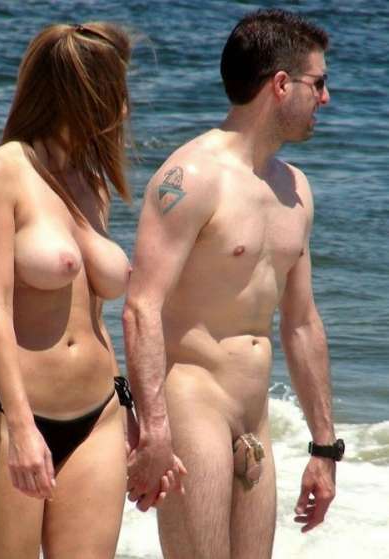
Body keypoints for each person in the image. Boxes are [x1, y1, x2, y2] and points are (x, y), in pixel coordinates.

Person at [123, 9, 344, 559]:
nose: (325, 98)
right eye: (318, 83)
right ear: (281, 84)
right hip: (192, 405)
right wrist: (154, 431)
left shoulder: (295, 189)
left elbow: (301, 322)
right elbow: (141, 307)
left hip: (255, 415)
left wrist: (324, 447)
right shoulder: (191, 178)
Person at [0, 21, 145, 559]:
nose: (124, 108)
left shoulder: (93, 183)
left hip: (99, 416)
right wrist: (20, 429)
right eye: (116, 91)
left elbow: (94, 316)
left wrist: (129, 407)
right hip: (9, 416)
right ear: (81, 92)